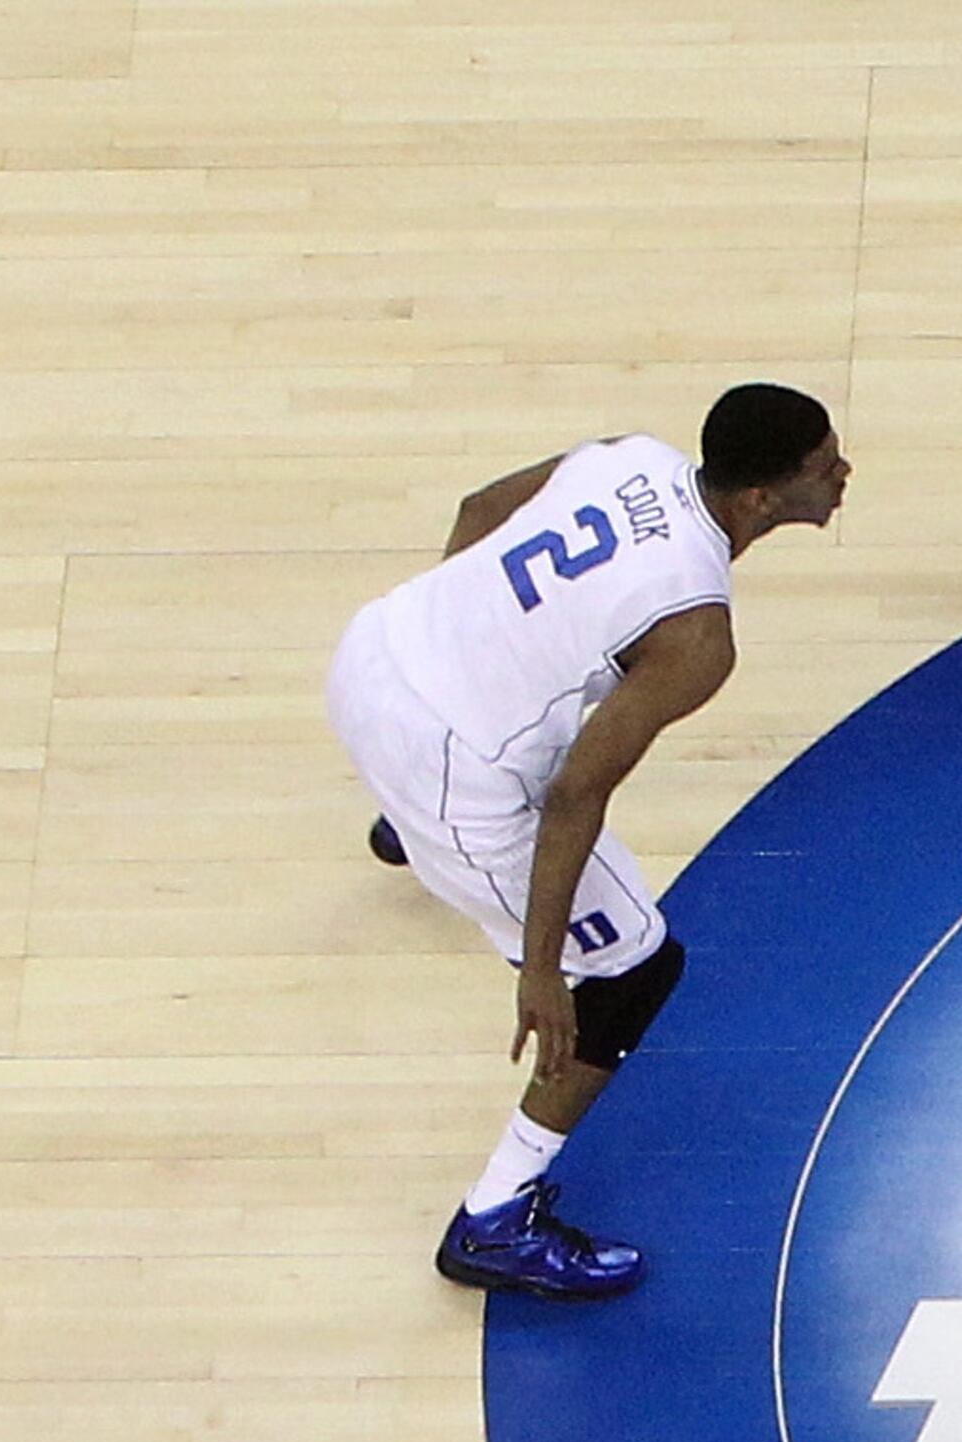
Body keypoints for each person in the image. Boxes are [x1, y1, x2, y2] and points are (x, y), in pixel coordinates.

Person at [330, 385, 851, 1297]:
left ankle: (415, 824)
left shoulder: (631, 457)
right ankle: (492, 1220)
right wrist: (542, 970)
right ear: (762, 501)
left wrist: (458, 654)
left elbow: (479, 512)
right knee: (635, 972)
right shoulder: (697, 634)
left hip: (373, 652)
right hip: (447, 769)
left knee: (476, 749)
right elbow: (577, 793)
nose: (843, 475)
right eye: (821, 468)